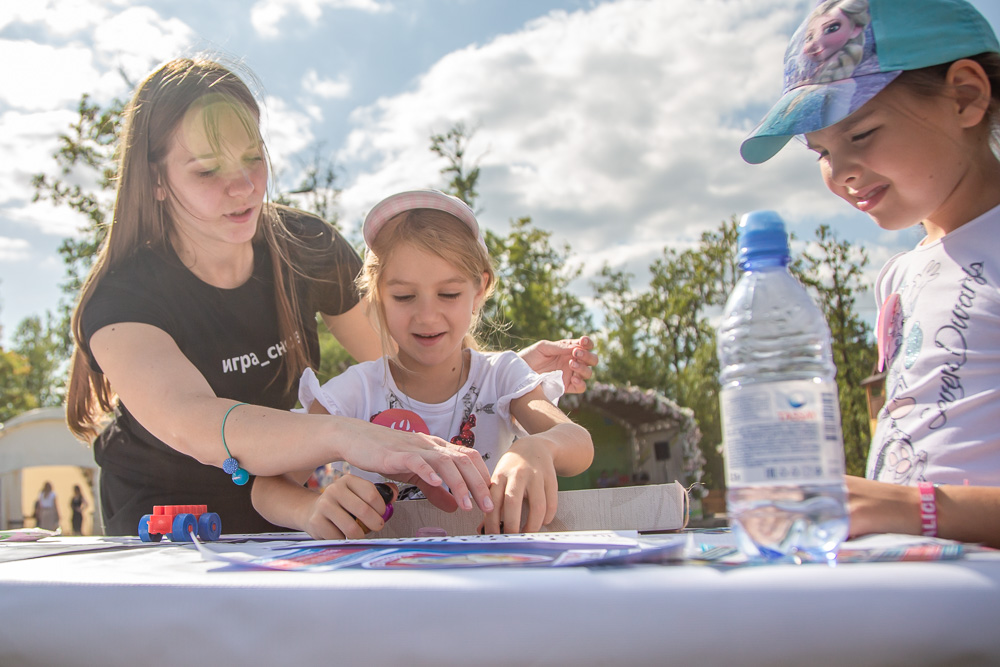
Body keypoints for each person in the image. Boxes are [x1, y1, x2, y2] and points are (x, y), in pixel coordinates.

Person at [64, 56, 598, 536]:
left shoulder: (308, 245)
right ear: (155, 179)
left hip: (290, 505)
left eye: (253, 158)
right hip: (167, 513)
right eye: (208, 170)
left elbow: (399, 359)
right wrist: (344, 436)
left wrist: (488, 379)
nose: (245, 187)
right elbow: (195, 422)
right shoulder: (122, 300)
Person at [741, 0, 1000, 548]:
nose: (839, 174)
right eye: (820, 153)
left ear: (966, 96)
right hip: (905, 593)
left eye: (861, 135)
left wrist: (915, 509)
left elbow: (907, 500)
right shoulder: (899, 278)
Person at [253, 190, 594, 538]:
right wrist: (309, 508)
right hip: (385, 581)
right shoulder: (356, 391)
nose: (427, 316)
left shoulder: (502, 376)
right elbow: (268, 486)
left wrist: (538, 447)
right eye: (404, 296)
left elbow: (576, 441)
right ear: (377, 297)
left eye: (448, 294)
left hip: (492, 575)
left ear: (480, 290)